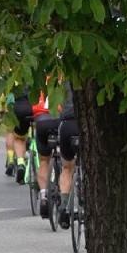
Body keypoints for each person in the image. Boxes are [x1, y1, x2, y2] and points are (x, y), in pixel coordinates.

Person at [34, 90, 80, 227]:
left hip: (65, 125)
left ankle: (63, 207)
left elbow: (55, 107)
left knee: (66, 167)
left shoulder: (59, 83)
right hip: (81, 124)